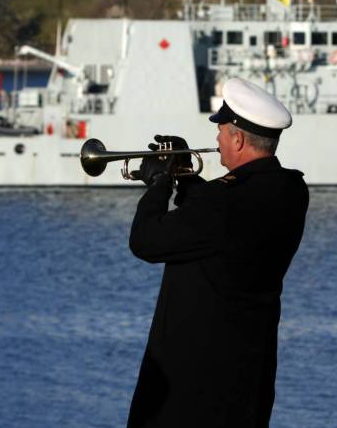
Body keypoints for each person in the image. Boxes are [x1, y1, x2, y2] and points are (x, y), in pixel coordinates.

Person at [126, 77, 309, 428]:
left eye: (222, 131)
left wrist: (158, 184)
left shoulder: (220, 206)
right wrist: (184, 175)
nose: (217, 139)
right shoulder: (291, 190)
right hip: (248, 381)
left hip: (192, 389)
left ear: (238, 139)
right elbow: (220, 218)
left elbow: (144, 241)